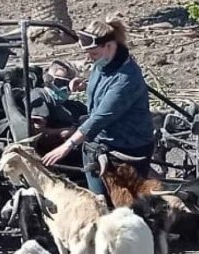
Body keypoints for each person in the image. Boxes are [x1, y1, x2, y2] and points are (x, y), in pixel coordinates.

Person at [40, 19, 153, 201]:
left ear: (109, 46)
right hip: (99, 142)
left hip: (125, 148)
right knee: (97, 199)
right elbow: (104, 88)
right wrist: (86, 85)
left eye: (93, 53)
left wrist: (67, 146)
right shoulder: (104, 63)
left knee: (125, 207)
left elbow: (101, 117)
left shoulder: (126, 78)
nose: (88, 58)